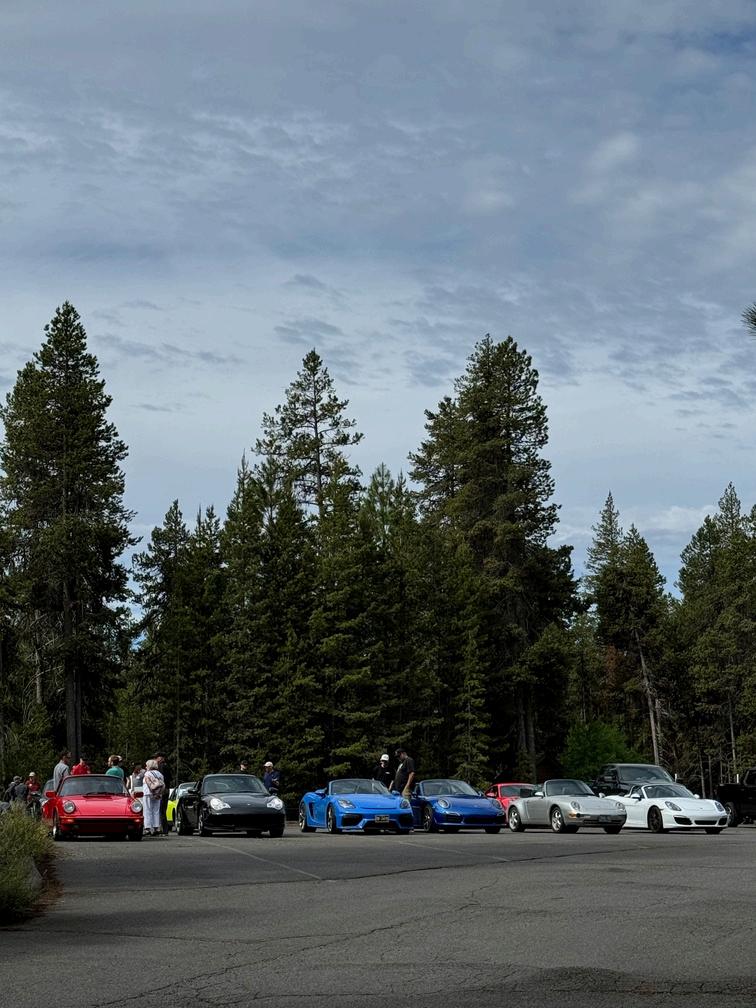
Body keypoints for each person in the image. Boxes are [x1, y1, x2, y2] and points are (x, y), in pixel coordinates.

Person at [142, 759, 165, 836]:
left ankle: (147, 828)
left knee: (147, 810)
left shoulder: (147, 774)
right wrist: (158, 793)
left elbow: (148, 784)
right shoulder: (160, 774)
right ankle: (156, 828)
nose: (146, 767)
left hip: (148, 793)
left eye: (146, 765)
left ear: (149, 766)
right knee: (156, 810)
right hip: (158, 794)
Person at [154, 753, 171, 834]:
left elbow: (160, 779)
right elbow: (170, 778)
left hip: (162, 790)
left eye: (156, 758)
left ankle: (163, 829)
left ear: (160, 758)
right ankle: (165, 829)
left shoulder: (161, 766)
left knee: (160, 810)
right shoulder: (167, 766)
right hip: (167, 789)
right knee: (163, 809)